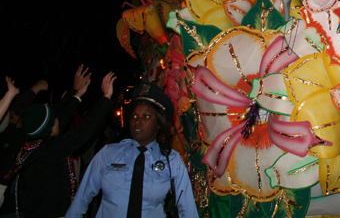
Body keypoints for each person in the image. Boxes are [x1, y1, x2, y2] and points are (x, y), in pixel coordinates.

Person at [66, 82, 199, 218]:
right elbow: (80, 200)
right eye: (134, 116)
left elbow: (187, 210)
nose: (137, 121)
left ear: (159, 123)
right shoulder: (108, 154)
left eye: (146, 116)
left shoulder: (171, 160)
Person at [6, 67, 115, 218]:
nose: (60, 120)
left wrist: (76, 94)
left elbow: (59, 116)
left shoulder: (31, 144)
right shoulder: (50, 150)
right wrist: (106, 97)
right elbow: (83, 131)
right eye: (55, 120)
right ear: (50, 128)